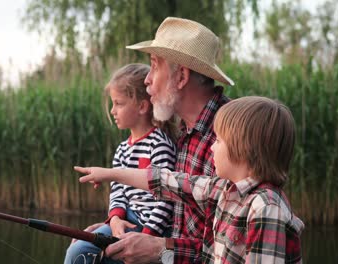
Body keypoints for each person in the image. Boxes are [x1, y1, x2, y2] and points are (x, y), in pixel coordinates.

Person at [75, 17, 235, 263]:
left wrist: (160, 249)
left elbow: (228, 252)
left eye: (154, 66)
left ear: (181, 77)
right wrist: (109, 229)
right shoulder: (182, 132)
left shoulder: (230, 138)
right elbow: (176, 221)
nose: (147, 79)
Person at [76, 96, 305, 263]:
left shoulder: (266, 208)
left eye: (219, 141)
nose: (212, 146)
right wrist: (111, 173)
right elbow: (165, 181)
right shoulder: (223, 189)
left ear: (243, 150)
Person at [64, 63, 176, 264]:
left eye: (119, 103)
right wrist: (115, 219)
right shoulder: (122, 149)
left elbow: (167, 200)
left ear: (142, 106)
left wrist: (147, 235)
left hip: (155, 228)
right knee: (77, 252)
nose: (113, 110)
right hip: (128, 220)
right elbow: (117, 192)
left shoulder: (159, 145)